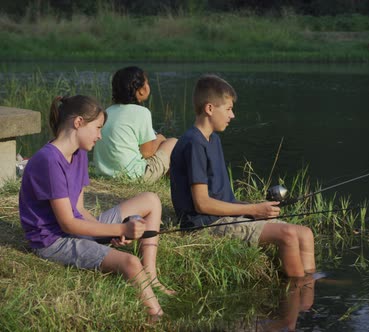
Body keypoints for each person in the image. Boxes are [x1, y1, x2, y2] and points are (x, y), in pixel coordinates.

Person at [19, 95, 173, 321]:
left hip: (74, 227)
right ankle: (157, 318)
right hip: (52, 240)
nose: (100, 135)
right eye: (98, 128)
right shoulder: (49, 160)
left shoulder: (79, 153)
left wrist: (110, 232)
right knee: (130, 263)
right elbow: (67, 223)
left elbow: (79, 210)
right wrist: (120, 230)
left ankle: (151, 277)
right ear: (78, 122)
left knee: (151, 199)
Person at [170, 74, 315, 277]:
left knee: (305, 234)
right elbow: (202, 204)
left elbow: (220, 197)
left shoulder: (214, 140)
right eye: (228, 109)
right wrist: (253, 209)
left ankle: (311, 286)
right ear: (209, 108)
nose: (233, 115)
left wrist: (253, 208)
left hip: (225, 216)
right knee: (288, 235)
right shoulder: (194, 143)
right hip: (205, 224)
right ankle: (299, 292)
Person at [94, 66, 177, 182]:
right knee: (172, 142)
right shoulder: (142, 113)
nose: (148, 86)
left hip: (104, 173)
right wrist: (159, 140)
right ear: (141, 90)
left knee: (159, 141)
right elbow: (147, 153)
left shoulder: (107, 112)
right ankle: (177, 181)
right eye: (147, 83)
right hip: (134, 176)